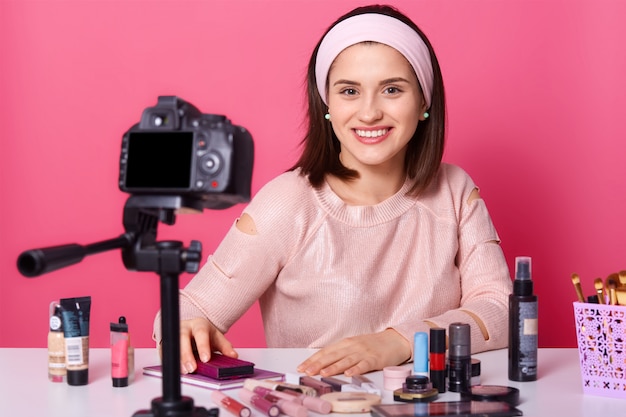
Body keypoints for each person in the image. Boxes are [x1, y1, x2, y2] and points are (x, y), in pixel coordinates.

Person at [153, 4, 512, 378]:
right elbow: (185, 311)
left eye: (392, 89)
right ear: (327, 102)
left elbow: (502, 311)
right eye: (349, 90)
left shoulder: (454, 191)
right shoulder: (288, 202)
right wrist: (181, 328)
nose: (369, 112)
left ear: (423, 101)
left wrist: (399, 342)